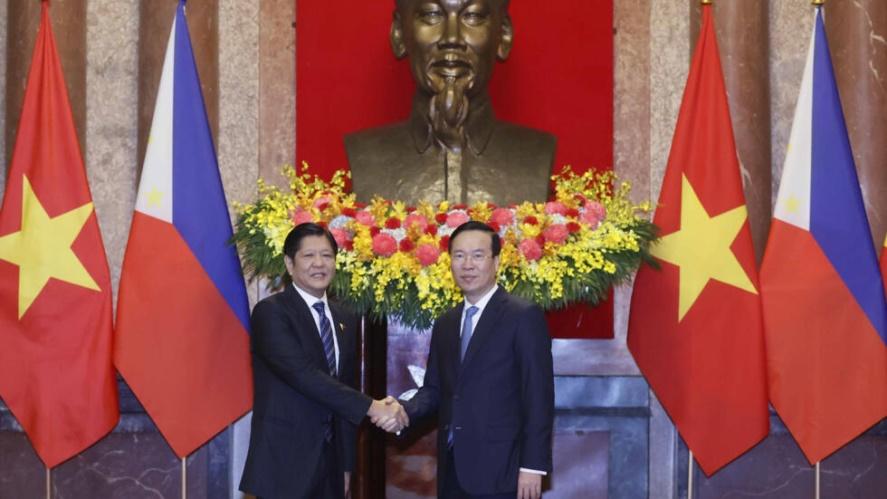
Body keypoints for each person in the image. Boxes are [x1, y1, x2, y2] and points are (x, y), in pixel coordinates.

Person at [239, 223, 409, 499]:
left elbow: (344, 388)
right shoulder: (271, 313)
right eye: (309, 256)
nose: (319, 263)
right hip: (282, 465)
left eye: (327, 255)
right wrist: (372, 407)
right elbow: (303, 375)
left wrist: (345, 466)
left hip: (330, 467)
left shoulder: (346, 318)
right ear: (289, 263)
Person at [345, 0, 555, 206]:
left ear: (503, 35)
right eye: (431, 14)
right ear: (399, 33)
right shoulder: (365, 155)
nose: (452, 38)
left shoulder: (536, 155)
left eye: (472, 16)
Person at [401, 221, 554, 499]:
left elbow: (538, 396)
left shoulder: (522, 316)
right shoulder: (446, 323)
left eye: (478, 255)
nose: (467, 264)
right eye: (459, 256)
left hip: (503, 470)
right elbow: (435, 390)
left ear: (496, 262)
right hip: (452, 469)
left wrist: (533, 465)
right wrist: (401, 410)